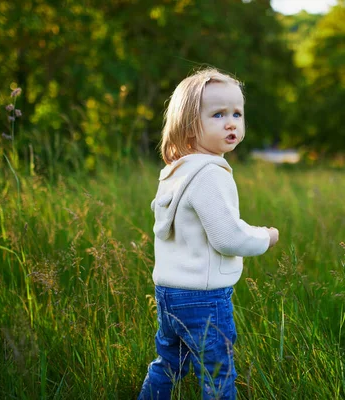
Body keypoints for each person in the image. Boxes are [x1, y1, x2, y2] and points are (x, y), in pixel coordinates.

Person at [138, 68, 279, 400]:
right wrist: (265, 237)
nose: (231, 122)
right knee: (217, 372)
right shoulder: (211, 175)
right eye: (218, 114)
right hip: (204, 298)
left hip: (169, 293)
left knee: (168, 363)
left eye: (236, 113)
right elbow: (227, 237)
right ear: (189, 124)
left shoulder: (176, 172)